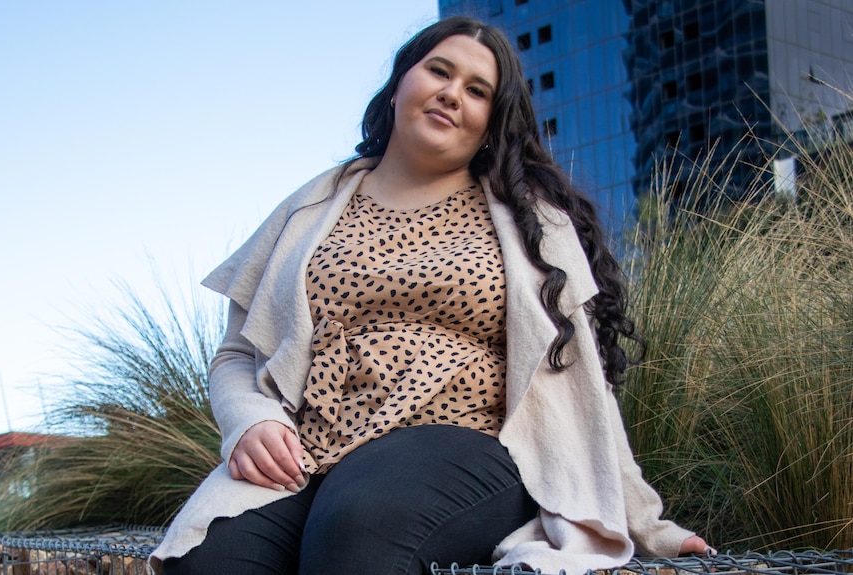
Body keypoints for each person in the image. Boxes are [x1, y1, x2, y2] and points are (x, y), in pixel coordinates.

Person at [149, 15, 711, 575]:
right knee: (206, 560)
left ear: (491, 123)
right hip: (308, 453)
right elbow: (236, 354)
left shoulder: (532, 226)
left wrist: (648, 523)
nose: (451, 94)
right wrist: (249, 423)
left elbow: (583, 383)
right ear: (398, 87)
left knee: (359, 525)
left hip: (465, 446)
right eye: (438, 71)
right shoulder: (309, 212)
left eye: (477, 90)